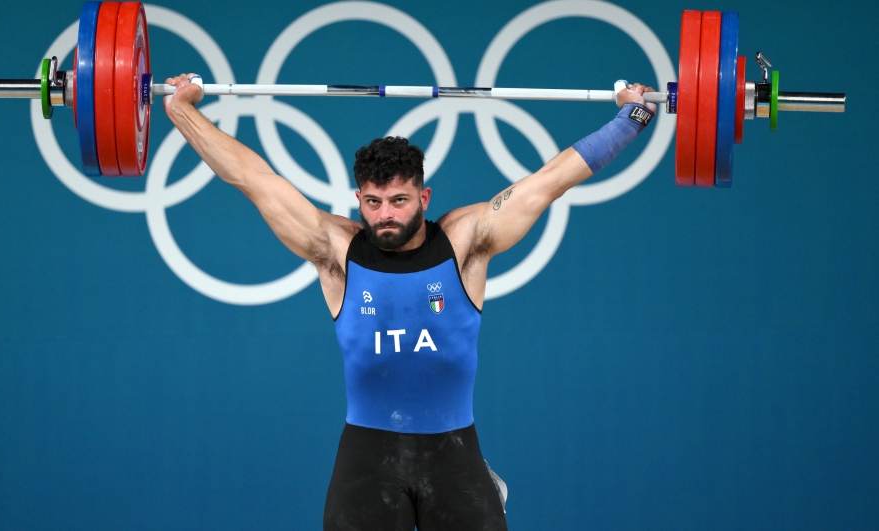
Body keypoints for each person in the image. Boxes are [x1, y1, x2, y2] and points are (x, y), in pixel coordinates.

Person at [164, 73, 656, 531]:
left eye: (399, 200)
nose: (385, 215)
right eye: (373, 202)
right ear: (358, 198)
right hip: (366, 458)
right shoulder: (336, 250)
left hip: (454, 453)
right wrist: (182, 110)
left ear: (424, 197)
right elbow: (253, 179)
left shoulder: (467, 241)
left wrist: (630, 117)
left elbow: (551, 180)